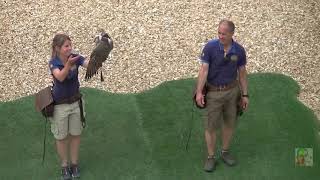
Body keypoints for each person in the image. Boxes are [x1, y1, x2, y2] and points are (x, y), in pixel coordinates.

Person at [195, 19, 249, 172]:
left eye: (223, 34)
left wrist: (245, 95)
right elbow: (203, 70)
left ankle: (225, 152)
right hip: (213, 93)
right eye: (219, 32)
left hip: (232, 92)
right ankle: (211, 157)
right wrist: (199, 92)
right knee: (211, 126)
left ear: (232, 34)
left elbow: (243, 74)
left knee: (229, 123)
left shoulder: (239, 51)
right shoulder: (210, 47)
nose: (220, 36)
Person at [49, 33, 89, 179]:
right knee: (61, 137)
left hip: (76, 103)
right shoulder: (53, 62)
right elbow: (60, 77)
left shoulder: (75, 57)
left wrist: (98, 56)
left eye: (70, 45)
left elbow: (89, 64)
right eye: (66, 46)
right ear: (58, 48)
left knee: (76, 134)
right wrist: (68, 64)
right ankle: (64, 165)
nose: (70, 48)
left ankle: (74, 164)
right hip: (60, 107)